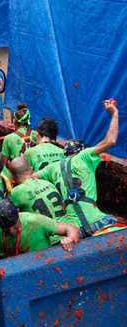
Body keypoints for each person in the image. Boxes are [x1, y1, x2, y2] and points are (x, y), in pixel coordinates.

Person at [37, 100, 123, 237]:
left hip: (75, 230)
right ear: (81, 150)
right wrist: (114, 114)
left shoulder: (52, 168)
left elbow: (31, 177)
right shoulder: (84, 156)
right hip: (98, 221)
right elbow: (111, 140)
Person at [0, 199, 80, 257]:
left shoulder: (36, 221)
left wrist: (70, 239)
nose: (11, 231)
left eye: (14, 227)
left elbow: (72, 229)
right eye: (5, 229)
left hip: (42, 264)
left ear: (18, 213)